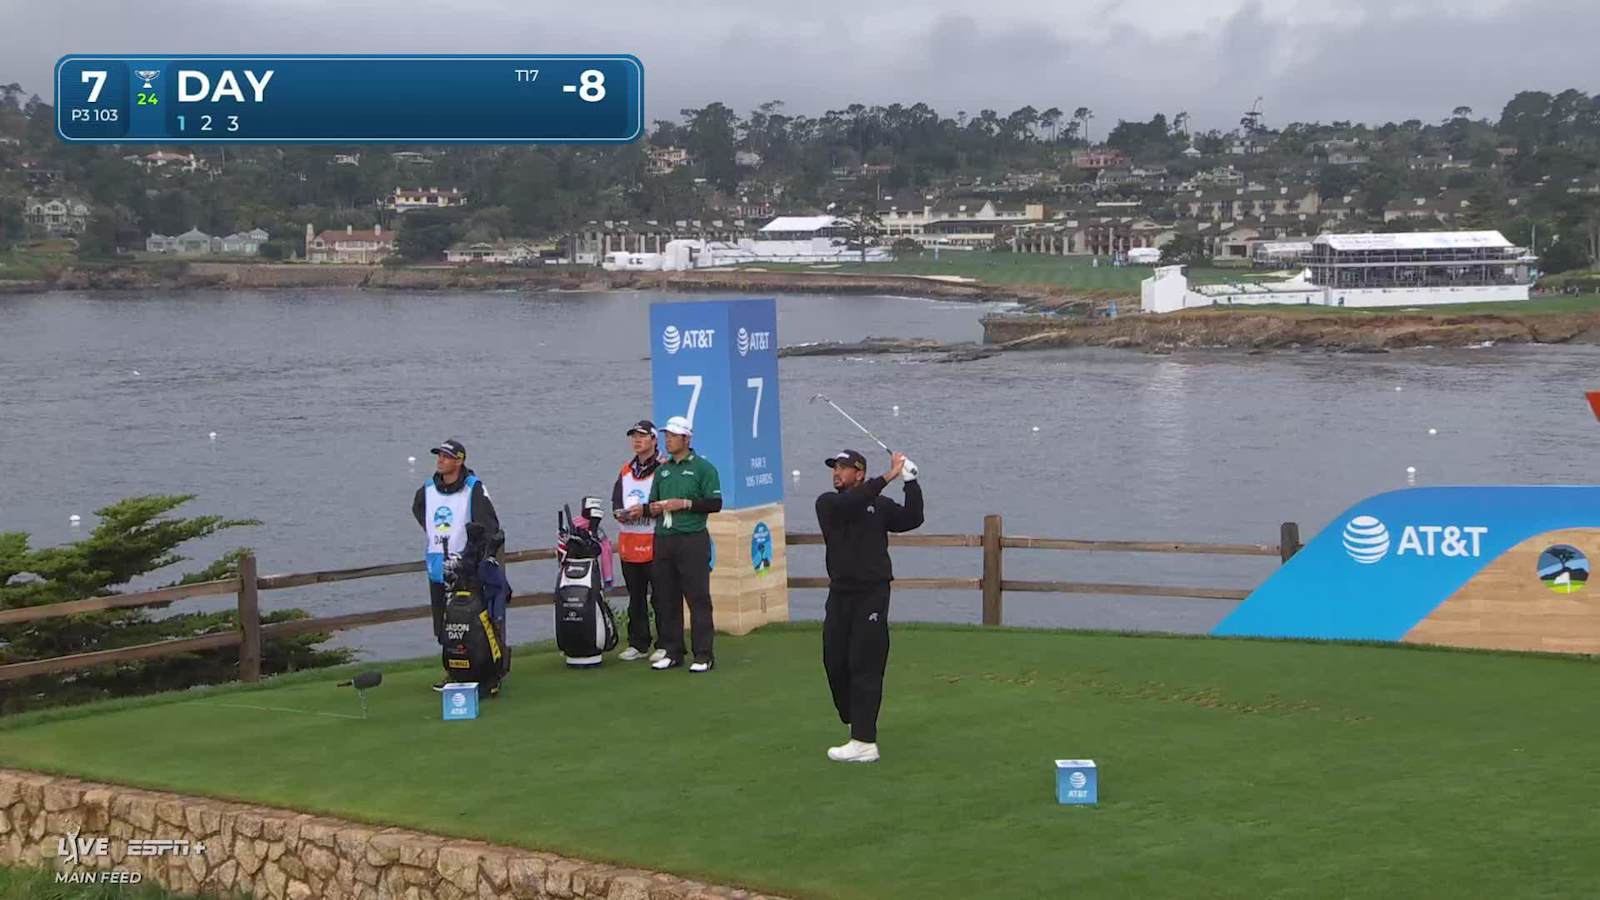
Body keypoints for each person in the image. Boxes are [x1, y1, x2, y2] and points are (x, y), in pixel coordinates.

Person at [815, 448, 923, 763]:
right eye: (834, 467)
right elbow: (851, 503)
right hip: (839, 594)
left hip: (872, 594)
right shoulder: (828, 503)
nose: (836, 473)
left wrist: (911, 482)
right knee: (834, 661)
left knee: (865, 663)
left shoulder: (879, 505)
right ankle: (855, 717)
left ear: (859, 473)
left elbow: (912, 518)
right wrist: (888, 475)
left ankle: (864, 741)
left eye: (843, 468)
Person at [412, 438, 500, 691]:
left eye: (446, 456)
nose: (440, 460)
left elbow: (489, 526)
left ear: (459, 461)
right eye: (439, 455)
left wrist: (477, 555)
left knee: (477, 624)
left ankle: (487, 673)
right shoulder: (428, 489)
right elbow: (419, 511)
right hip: (437, 567)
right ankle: (454, 672)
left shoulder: (473, 487)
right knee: (444, 626)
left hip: (467, 570)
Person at [646, 415, 722, 672]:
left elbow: (715, 503)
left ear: (686, 439)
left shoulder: (704, 468)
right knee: (666, 598)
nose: (667, 440)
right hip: (664, 539)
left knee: (698, 598)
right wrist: (649, 509)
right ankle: (673, 651)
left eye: (672, 436)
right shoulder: (662, 470)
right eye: (666, 435)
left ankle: (704, 655)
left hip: (692, 539)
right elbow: (653, 503)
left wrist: (685, 504)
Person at [612, 419, 666, 663]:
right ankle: (638, 643)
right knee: (636, 598)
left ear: (654, 439)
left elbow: (665, 502)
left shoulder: (663, 468)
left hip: (655, 542)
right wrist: (619, 512)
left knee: (661, 596)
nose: (637, 440)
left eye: (642, 436)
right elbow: (616, 500)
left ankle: (665, 643)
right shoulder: (626, 470)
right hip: (630, 543)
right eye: (634, 436)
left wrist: (643, 511)